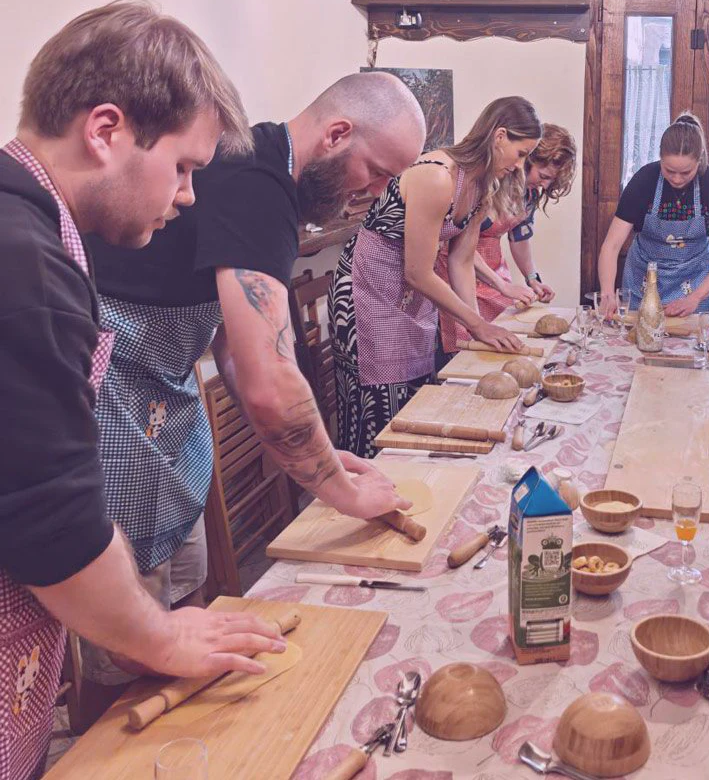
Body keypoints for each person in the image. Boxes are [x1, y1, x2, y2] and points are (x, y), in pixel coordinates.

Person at [0, 0, 285, 779]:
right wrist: (159, 636)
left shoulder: (35, 227)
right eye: (185, 167)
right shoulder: (23, 264)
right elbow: (49, 520)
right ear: (106, 131)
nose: (190, 196)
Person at [82, 72, 424, 700]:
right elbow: (270, 382)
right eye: (375, 173)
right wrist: (342, 493)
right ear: (337, 135)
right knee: (125, 655)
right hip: (112, 412)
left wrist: (313, 458)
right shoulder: (260, 183)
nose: (373, 194)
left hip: (165, 411)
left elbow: (239, 356)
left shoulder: (266, 176)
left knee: (190, 619)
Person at [331, 97, 541, 456]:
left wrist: (477, 334)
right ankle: (366, 486)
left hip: (411, 294)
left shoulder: (481, 186)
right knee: (377, 403)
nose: (521, 166)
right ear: (499, 136)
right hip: (368, 292)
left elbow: (460, 259)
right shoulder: (437, 176)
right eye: (520, 153)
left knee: (415, 397)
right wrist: (477, 324)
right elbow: (417, 272)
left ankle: (408, 485)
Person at [435, 123, 577, 352]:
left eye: (552, 180)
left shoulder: (529, 193)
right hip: (457, 272)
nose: (545, 184)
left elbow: (519, 237)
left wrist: (532, 278)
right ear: (527, 159)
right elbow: (459, 247)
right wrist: (502, 286)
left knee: (498, 342)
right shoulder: (491, 182)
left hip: (493, 273)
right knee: (466, 347)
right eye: (543, 176)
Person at [597, 113, 709, 319]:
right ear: (660, 158)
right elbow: (611, 245)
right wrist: (608, 293)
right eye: (669, 170)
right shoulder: (644, 180)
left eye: (686, 172)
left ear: (699, 160)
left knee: (689, 344)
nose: (677, 179)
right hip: (643, 277)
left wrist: (696, 297)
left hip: (694, 280)